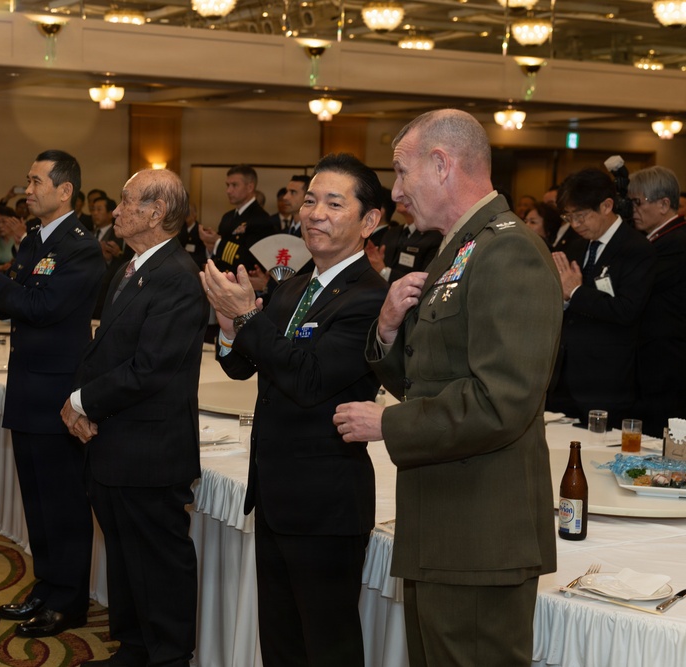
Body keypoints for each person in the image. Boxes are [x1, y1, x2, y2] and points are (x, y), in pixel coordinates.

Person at [333, 109, 562, 667]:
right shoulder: (460, 248)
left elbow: (501, 400)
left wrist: (387, 424)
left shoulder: (506, 250)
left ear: (441, 164)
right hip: (444, 523)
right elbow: (425, 377)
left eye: (402, 172)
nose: (397, 190)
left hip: (481, 530)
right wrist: (387, 329)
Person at [203, 153, 388, 667]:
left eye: (334, 202)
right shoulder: (294, 287)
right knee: (281, 639)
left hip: (326, 500)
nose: (315, 213)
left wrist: (247, 318)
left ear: (370, 221)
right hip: (278, 491)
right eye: (310, 200)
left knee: (327, 645)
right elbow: (245, 368)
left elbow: (308, 380)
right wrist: (227, 325)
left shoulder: (369, 298)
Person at [0, 149, 105, 638]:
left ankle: (70, 600)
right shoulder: (37, 238)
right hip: (30, 387)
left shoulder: (81, 247)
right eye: (27, 180)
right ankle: (47, 585)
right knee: (36, 500)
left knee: (63, 504)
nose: (27, 190)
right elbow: (15, 293)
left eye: (36, 182)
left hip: (59, 396)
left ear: (64, 191)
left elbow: (36, 306)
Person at [62, 169, 207, 667]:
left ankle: (168, 657)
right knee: (125, 559)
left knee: (158, 563)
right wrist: (82, 400)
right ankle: (134, 647)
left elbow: (149, 369)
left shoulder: (177, 277)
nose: (115, 211)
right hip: (118, 441)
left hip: (151, 449)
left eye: (125, 203)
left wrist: (81, 402)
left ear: (156, 212)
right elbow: (107, 350)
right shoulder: (134, 267)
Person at [547, 168, 656, 426]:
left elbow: (626, 310)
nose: (575, 224)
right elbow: (566, 300)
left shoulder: (637, 249)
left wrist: (575, 292)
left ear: (607, 206)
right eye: (569, 216)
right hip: (564, 380)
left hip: (607, 383)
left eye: (581, 216)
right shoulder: (575, 244)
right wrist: (563, 297)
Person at [628, 166, 686, 436]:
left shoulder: (677, 241)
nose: (633, 210)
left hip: (668, 362)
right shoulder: (657, 240)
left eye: (638, 202)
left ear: (664, 204)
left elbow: (635, 286)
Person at [211, 164, 274, 271]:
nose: (228, 191)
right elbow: (218, 257)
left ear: (250, 187)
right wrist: (210, 244)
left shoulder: (261, 218)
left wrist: (217, 242)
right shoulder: (227, 216)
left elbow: (250, 259)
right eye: (228, 185)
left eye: (234, 185)